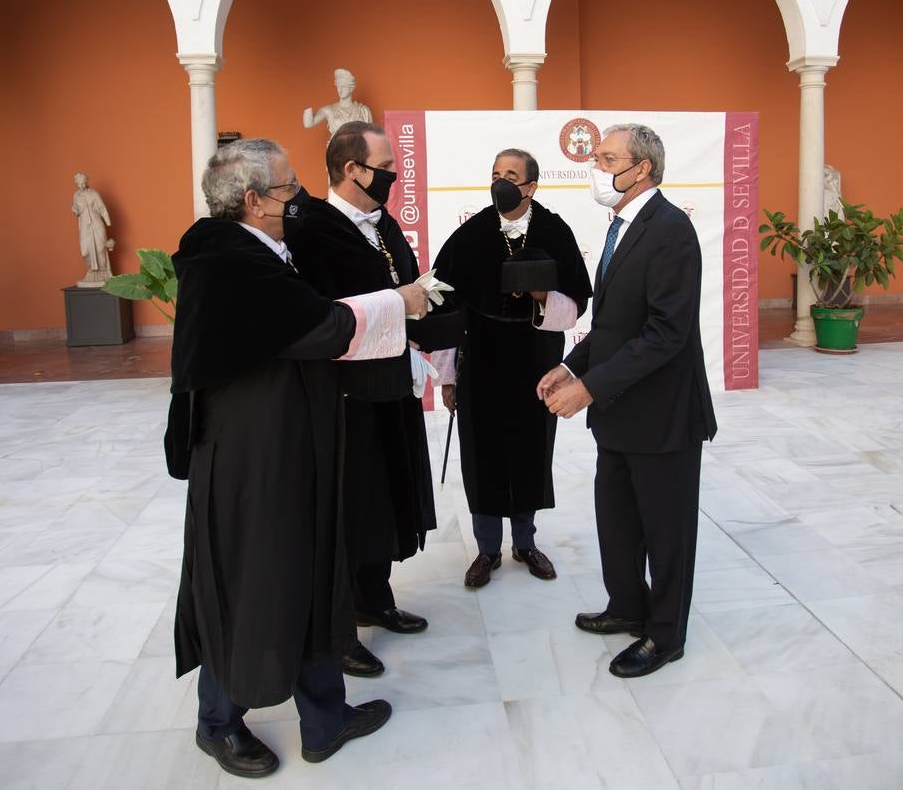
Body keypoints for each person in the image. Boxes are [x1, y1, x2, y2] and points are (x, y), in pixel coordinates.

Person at [169, 137, 429, 777]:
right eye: (290, 191)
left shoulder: (263, 252)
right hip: (253, 462)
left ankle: (326, 717)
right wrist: (402, 302)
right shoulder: (227, 263)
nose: (301, 203)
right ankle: (218, 722)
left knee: (315, 571)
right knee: (253, 582)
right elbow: (318, 328)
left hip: (296, 448)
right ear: (253, 201)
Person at [537, 123, 717, 679]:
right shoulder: (620, 227)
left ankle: (665, 635)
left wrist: (587, 389)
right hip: (618, 413)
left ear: (642, 168)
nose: (598, 167)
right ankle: (627, 607)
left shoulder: (670, 230)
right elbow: (616, 326)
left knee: (666, 533)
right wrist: (569, 366)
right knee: (617, 522)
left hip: (663, 417)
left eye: (608, 158)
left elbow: (666, 332)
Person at [286, 120, 463, 679]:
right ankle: (339, 629)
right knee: (349, 505)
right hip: (346, 392)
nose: (394, 175)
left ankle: (373, 597)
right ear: (351, 169)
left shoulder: (383, 224)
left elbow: (403, 286)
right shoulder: (313, 228)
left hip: (390, 385)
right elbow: (328, 310)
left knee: (384, 495)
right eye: (386, 166)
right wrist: (399, 300)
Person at [430, 148, 591, 588]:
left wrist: (542, 296)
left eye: (512, 175)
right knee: (481, 454)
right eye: (496, 173)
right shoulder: (470, 235)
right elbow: (445, 307)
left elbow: (577, 302)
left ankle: (524, 542)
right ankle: (486, 550)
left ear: (531, 186)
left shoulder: (555, 231)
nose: (501, 181)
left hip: (535, 360)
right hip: (479, 359)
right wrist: (447, 377)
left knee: (529, 449)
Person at [302, 68, 373, 137]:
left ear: (351, 88)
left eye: (344, 86)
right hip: (337, 148)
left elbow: (371, 137)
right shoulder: (329, 110)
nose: (340, 90)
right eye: (338, 87)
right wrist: (306, 99)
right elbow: (308, 124)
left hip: (358, 148)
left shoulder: (363, 110)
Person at [70, 172, 113, 285]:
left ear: (87, 182)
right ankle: (91, 270)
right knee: (85, 251)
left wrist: (108, 222)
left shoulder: (94, 194)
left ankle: (103, 273)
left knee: (100, 249)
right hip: (84, 225)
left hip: (96, 223)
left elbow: (102, 208)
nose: (82, 186)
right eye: (79, 184)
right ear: (76, 184)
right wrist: (75, 210)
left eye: (83, 183)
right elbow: (75, 207)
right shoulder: (76, 195)